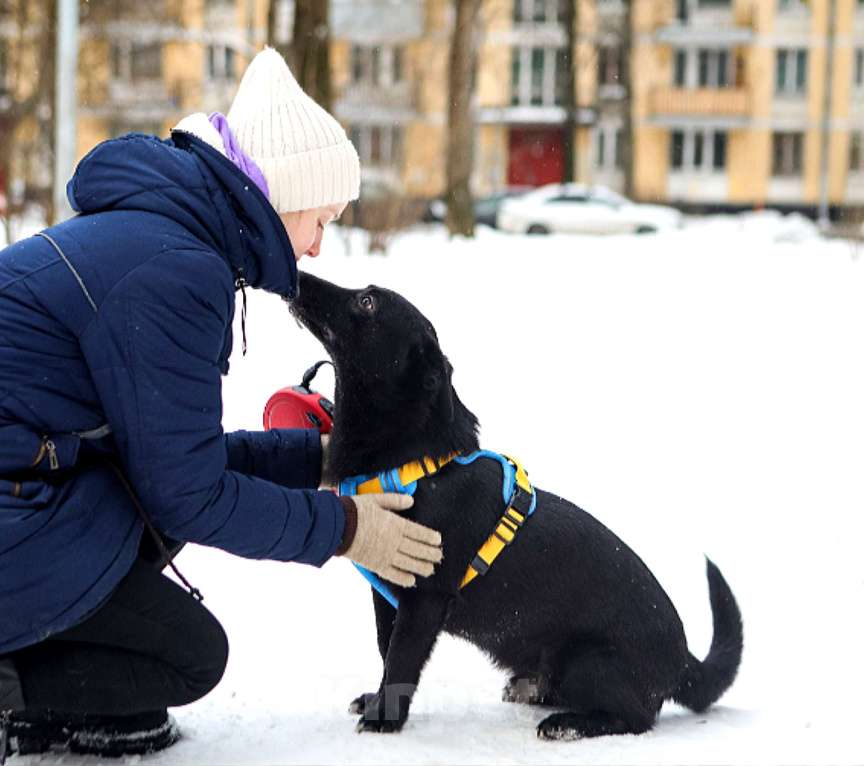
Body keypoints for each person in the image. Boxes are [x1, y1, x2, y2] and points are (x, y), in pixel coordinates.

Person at [0, 48, 443, 760]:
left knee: (144, 535)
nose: (319, 246)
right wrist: (346, 528)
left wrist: (319, 460)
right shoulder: (176, 268)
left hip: (27, 491)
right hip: (15, 507)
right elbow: (188, 495)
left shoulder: (164, 237)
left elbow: (172, 458)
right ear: (281, 194)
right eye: (321, 219)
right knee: (188, 656)